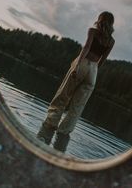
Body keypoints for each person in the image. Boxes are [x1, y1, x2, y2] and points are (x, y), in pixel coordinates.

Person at [37, 11, 115, 152]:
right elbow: (102, 60)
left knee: (62, 96)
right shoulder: (111, 41)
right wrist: (94, 70)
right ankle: (64, 131)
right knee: (78, 105)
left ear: (99, 20)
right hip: (93, 70)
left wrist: (78, 65)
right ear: (112, 24)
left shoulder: (93, 31)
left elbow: (86, 47)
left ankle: (50, 124)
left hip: (83, 64)